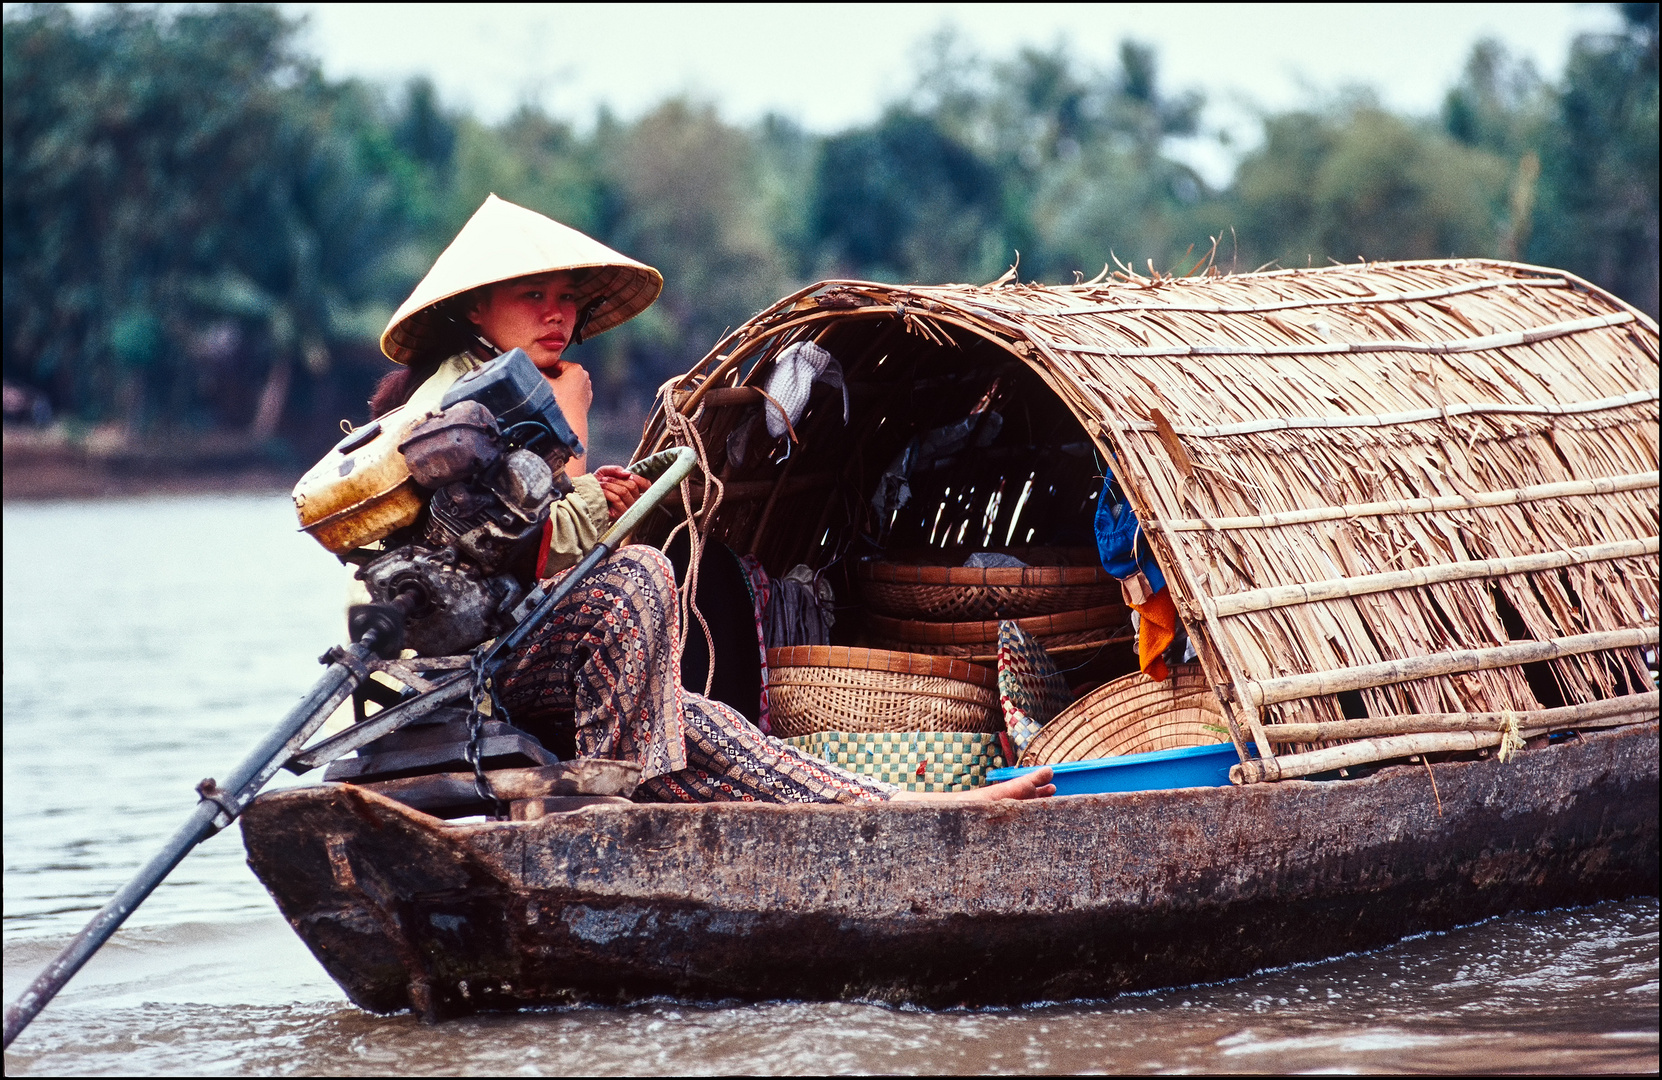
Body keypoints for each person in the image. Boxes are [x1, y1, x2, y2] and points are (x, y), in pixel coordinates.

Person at [373, 194, 1055, 806]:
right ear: (474, 311)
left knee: (710, 725)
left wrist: (590, 485)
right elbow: (549, 556)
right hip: (489, 670)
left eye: (565, 296)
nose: (557, 313)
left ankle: (908, 807)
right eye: (531, 295)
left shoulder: (508, 394)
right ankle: (615, 799)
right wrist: (571, 414)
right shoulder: (460, 411)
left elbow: (541, 523)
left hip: (536, 652)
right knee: (637, 577)